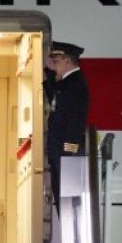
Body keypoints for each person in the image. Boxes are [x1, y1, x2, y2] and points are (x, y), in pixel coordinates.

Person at [44, 40, 89, 212]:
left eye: (56, 62)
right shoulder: (67, 83)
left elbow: (74, 122)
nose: (53, 66)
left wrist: (68, 153)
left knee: (67, 204)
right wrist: (48, 71)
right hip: (61, 154)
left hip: (66, 155)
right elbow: (54, 95)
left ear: (68, 62)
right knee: (62, 201)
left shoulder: (75, 85)